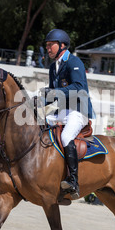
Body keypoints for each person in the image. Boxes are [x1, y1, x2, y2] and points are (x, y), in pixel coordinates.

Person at [41, 29, 93, 199]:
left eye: (51, 45)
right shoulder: (52, 67)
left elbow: (79, 87)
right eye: (47, 45)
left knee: (65, 137)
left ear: (62, 45)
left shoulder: (73, 62)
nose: (47, 48)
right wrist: (40, 108)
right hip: (62, 110)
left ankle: (73, 180)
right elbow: (52, 96)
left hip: (78, 110)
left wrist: (55, 92)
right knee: (38, 124)